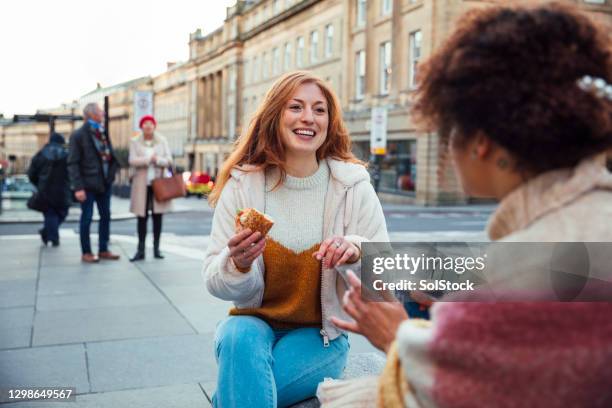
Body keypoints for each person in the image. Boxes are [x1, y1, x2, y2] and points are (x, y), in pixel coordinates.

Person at [322, 3, 612, 407]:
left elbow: (437, 389)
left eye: (450, 129)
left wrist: (395, 333)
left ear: (480, 143)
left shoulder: (518, 274)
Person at [202, 71, 389, 408]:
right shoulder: (243, 185)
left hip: (320, 337)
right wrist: (238, 263)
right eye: (296, 107)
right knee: (236, 334)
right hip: (252, 324)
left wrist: (356, 251)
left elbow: (384, 278)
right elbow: (214, 281)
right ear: (276, 115)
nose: (308, 118)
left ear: (329, 122)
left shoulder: (353, 186)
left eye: (319, 110)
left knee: (238, 393)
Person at [67, 103, 121, 263]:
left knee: (106, 216)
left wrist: (112, 173)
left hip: (104, 183)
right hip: (87, 185)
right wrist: (78, 188)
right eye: (99, 111)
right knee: (87, 218)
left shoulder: (102, 131)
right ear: (91, 114)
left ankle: (103, 249)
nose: (103, 113)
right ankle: (86, 252)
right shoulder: (78, 135)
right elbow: (72, 163)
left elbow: (109, 155)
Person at [128, 115, 173, 261]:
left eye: (150, 124)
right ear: (141, 127)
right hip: (141, 185)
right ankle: (140, 250)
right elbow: (132, 160)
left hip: (158, 183)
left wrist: (158, 160)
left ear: (154, 126)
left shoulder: (162, 140)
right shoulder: (135, 141)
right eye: (145, 124)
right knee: (141, 217)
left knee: (157, 217)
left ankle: (156, 249)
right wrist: (148, 159)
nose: (148, 126)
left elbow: (169, 160)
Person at [27, 132, 72, 247]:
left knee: (50, 213)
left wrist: (39, 183)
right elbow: (72, 171)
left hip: (45, 189)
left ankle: (47, 233)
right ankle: (53, 237)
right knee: (62, 212)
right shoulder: (66, 154)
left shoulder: (40, 154)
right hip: (62, 189)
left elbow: (31, 173)